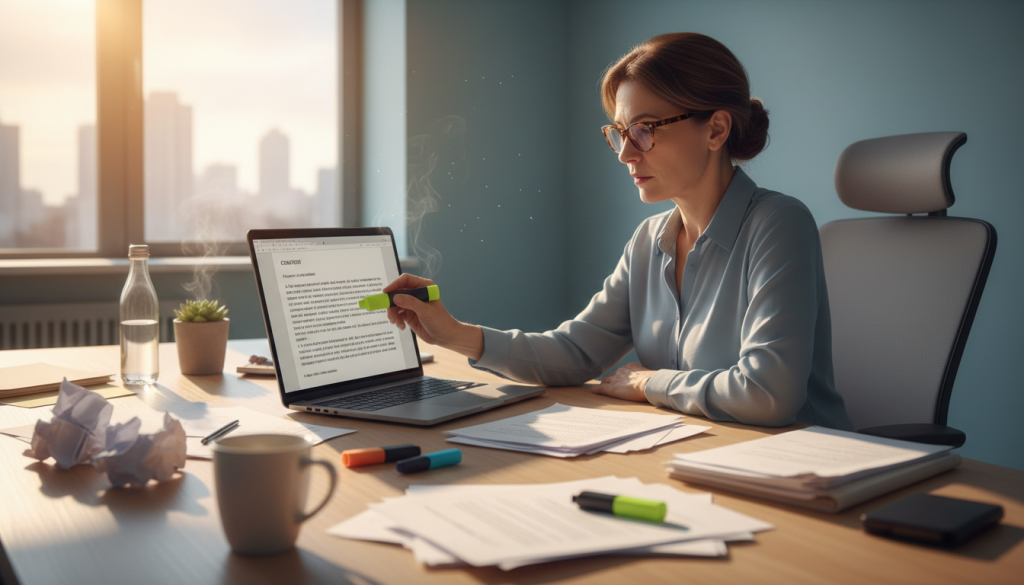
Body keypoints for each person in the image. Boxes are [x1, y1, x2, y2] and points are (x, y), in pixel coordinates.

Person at [384, 32, 853, 430]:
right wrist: (454, 334)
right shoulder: (649, 240)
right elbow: (573, 353)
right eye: (620, 132)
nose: (627, 154)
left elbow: (768, 393)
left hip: (797, 470)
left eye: (645, 129)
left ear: (715, 130)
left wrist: (649, 381)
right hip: (696, 454)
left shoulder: (778, 224)